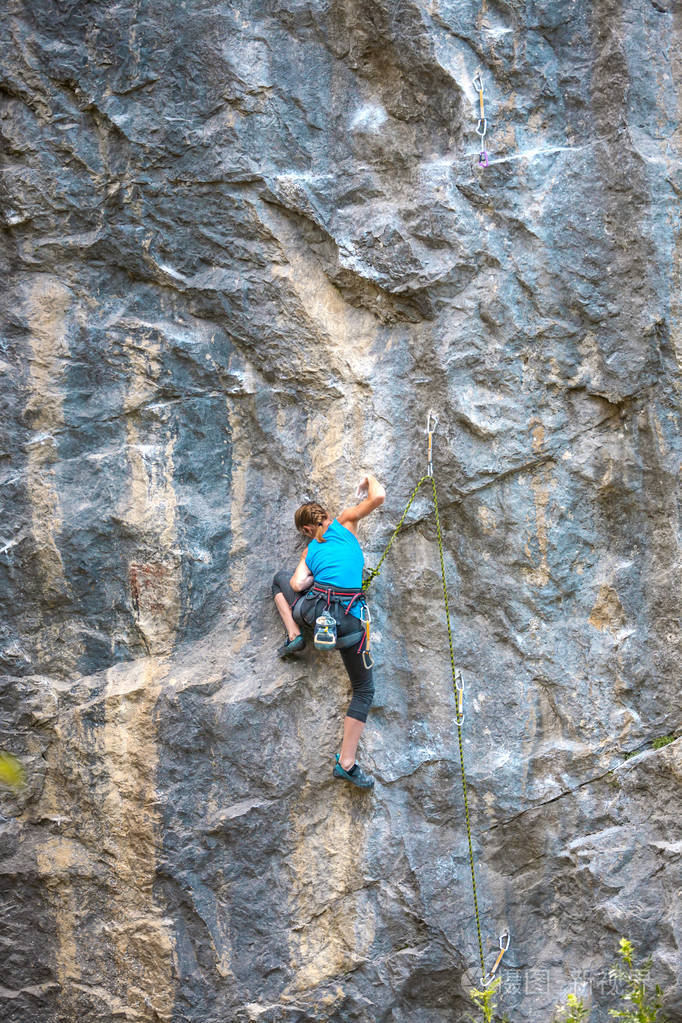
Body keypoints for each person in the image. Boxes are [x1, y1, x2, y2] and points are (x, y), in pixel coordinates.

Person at [272, 474, 386, 789]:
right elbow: (379, 497)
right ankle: (346, 763)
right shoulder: (347, 521)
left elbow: (295, 584)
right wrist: (368, 480)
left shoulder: (310, 550)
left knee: (278, 581)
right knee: (364, 690)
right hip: (351, 622)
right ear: (325, 515)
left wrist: (312, 580)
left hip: (316, 613)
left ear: (307, 530)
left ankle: (294, 634)